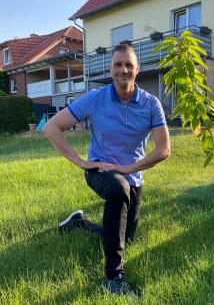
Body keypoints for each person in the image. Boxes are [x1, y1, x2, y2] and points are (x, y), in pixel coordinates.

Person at [43, 43, 170, 297]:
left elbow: (163, 150)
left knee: (124, 237)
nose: (123, 70)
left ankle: (79, 223)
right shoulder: (96, 98)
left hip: (131, 173)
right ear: (110, 69)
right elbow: (51, 128)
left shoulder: (150, 104)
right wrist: (81, 162)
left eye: (128, 65)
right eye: (118, 65)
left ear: (137, 69)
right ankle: (113, 278)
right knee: (119, 190)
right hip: (100, 170)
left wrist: (128, 168)